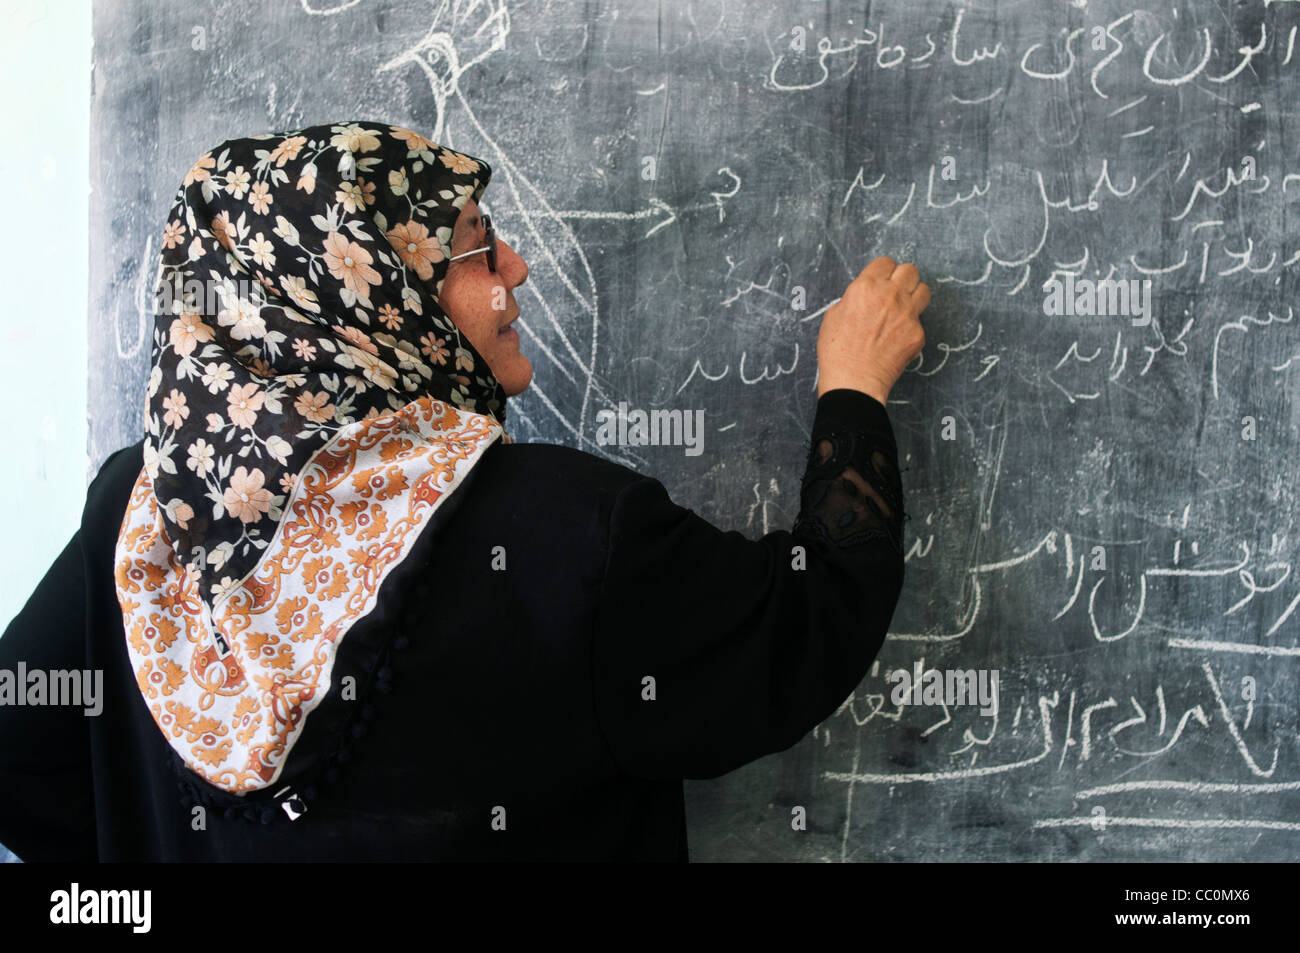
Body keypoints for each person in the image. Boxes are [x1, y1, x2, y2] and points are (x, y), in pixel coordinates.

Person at [0, 119, 927, 862]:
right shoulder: (568, 530)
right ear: (379, 300)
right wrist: (854, 384)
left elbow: (18, 768)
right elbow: (805, 620)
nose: (516, 268)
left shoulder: (139, 510)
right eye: (476, 248)